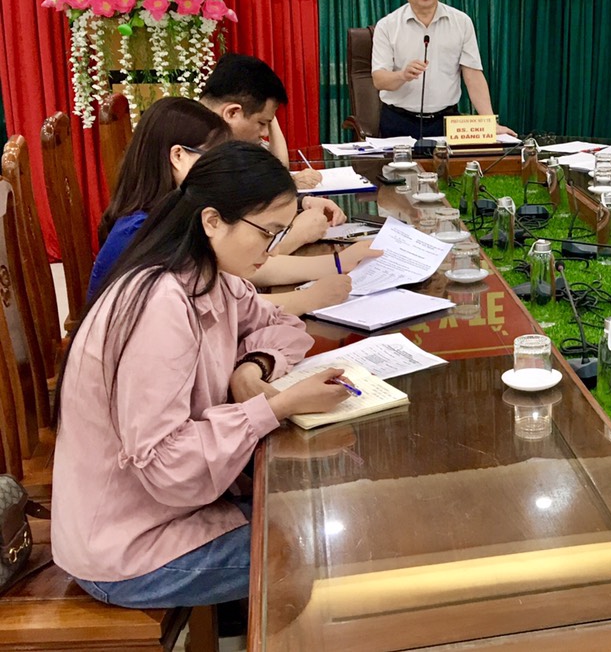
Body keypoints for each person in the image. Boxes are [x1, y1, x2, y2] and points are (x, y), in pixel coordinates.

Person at [53, 141, 354, 608]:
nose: (272, 250)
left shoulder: (212, 275)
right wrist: (276, 406)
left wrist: (254, 366)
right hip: (127, 546)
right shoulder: (159, 306)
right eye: (268, 233)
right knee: (315, 547)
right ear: (212, 221)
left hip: (174, 508)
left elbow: (282, 324)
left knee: (315, 504)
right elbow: (165, 462)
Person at [90, 97, 374, 318]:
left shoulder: (169, 211)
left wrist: (337, 263)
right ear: (178, 156)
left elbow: (235, 275)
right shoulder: (145, 230)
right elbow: (219, 309)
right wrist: (309, 298)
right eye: (213, 157)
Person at [371, 0, 513, 139]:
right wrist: (402, 75)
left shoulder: (461, 22)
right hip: (398, 121)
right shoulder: (387, 26)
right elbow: (379, 80)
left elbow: (473, 75)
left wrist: (489, 121)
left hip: (446, 121)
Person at [200, 52, 324, 191]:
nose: (265, 133)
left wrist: (268, 116)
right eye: (262, 123)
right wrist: (288, 185)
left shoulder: (217, 134)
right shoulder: (194, 153)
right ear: (232, 113)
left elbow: (278, 167)